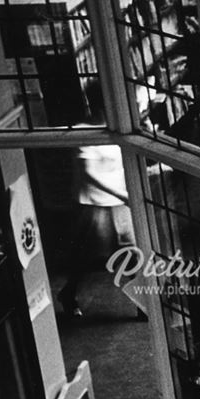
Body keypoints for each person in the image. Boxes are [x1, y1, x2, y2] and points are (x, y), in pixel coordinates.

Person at [58, 82, 137, 318]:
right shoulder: (84, 130)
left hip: (121, 200)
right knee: (89, 256)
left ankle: (143, 303)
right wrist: (121, 194)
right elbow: (89, 173)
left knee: (132, 252)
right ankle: (69, 293)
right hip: (96, 204)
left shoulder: (119, 127)